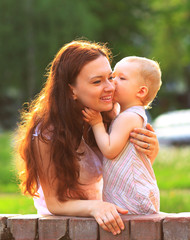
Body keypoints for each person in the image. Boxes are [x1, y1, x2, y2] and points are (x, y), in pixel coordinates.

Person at [15, 41, 160, 236]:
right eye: (97, 81)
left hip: (110, 219)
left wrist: (150, 152)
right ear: (71, 90)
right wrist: (95, 207)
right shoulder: (47, 133)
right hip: (64, 230)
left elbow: (125, 171)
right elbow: (55, 203)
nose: (110, 87)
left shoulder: (111, 117)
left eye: (110, 77)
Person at [82, 56, 162, 214]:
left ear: (141, 91)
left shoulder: (128, 117)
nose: (113, 82)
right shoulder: (129, 115)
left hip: (131, 196)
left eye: (122, 78)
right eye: (113, 76)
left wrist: (96, 123)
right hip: (132, 192)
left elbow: (110, 150)